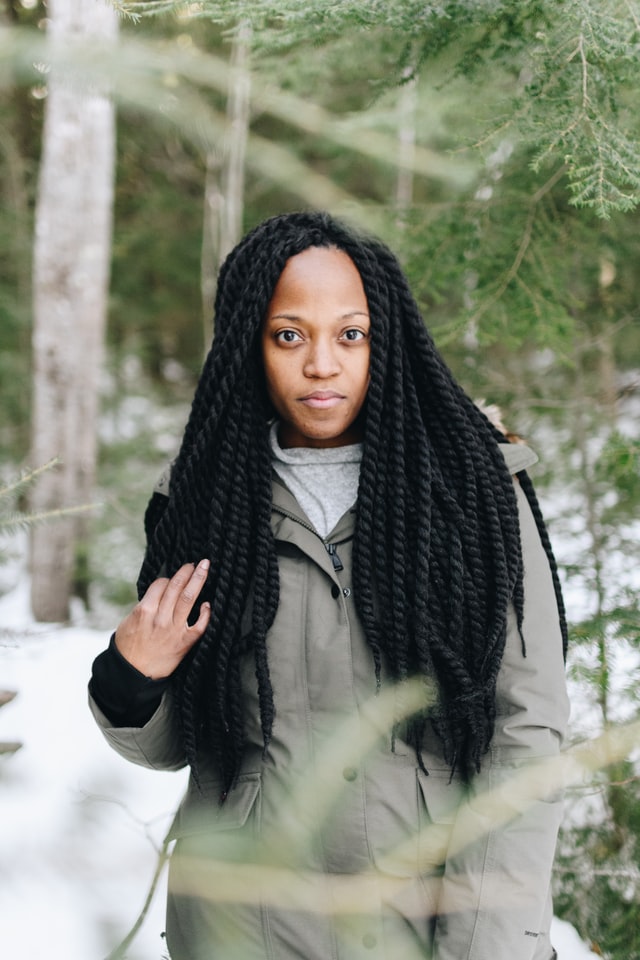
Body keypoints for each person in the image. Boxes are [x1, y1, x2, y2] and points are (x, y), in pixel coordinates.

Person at [89, 211, 570, 960]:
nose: (321, 364)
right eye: (289, 335)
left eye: (351, 334)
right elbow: (185, 744)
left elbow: (526, 735)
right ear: (252, 343)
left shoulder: (478, 493)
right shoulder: (200, 500)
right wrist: (132, 681)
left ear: (388, 341)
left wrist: (490, 945)